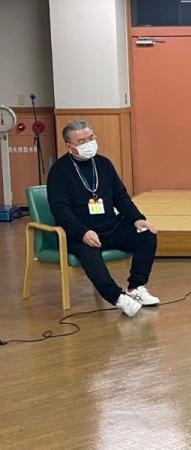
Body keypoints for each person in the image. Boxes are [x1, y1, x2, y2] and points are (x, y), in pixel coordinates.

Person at [47, 120, 159, 317]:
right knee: (90, 253)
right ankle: (117, 298)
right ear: (69, 146)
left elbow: (121, 197)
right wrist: (82, 232)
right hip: (78, 233)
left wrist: (136, 218)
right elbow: (60, 211)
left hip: (111, 226)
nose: (88, 144)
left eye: (90, 138)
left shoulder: (103, 164)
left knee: (146, 235)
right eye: (81, 141)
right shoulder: (59, 171)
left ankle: (135, 287)